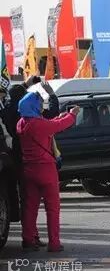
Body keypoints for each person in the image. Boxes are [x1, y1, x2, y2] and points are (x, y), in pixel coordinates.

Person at [0, 76, 60, 248]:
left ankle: (29, 237)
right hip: (41, 167)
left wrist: (25, 84)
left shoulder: (12, 116)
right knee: (50, 207)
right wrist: (51, 95)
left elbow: (15, 95)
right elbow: (56, 116)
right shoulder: (36, 121)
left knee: (28, 204)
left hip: (19, 162)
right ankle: (50, 242)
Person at [17, 92, 78, 252]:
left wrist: (58, 117)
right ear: (34, 106)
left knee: (30, 207)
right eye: (39, 103)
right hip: (45, 169)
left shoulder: (21, 123)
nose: (41, 106)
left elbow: (48, 124)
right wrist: (72, 115)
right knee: (52, 208)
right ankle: (54, 243)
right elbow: (58, 126)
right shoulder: (38, 124)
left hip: (28, 169)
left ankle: (28, 239)